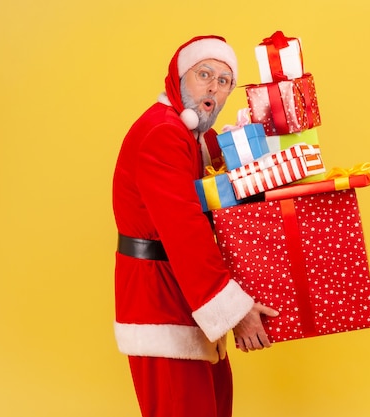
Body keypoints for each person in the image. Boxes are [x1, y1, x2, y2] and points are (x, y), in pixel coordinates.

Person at [112, 35, 279, 417]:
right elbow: (185, 230)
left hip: (186, 294)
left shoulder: (197, 137)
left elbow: (247, 180)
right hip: (160, 300)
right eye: (204, 74)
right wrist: (236, 310)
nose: (214, 88)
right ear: (178, 78)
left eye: (224, 82)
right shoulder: (164, 133)